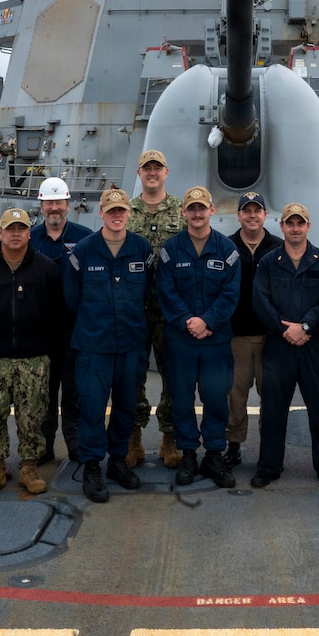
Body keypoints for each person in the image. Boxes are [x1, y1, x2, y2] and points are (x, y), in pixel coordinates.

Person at [0, 207, 69, 496]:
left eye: (21, 228)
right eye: (10, 228)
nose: (15, 233)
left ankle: (29, 468)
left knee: (32, 416)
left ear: (28, 233)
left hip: (34, 358)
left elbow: (56, 311)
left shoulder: (46, 268)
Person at [67, 189, 154, 503]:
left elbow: (146, 293)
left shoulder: (141, 248)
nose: (117, 216)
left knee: (126, 405)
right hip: (94, 344)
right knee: (91, 405)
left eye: (122, 211)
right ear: (101, 213)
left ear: (128, 213)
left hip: (130, 342)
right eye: (111, 211)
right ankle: (92, 465)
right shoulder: (84, 251)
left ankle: (118, 459)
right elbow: (71, 298)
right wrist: (95, 323)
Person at [250, 203, 319, 489]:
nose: (294, 228)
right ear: (282, 227)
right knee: (274, 410)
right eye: (290, 223)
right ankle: (269, 466)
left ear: (308, 226)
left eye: (300, 223)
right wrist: (284, 329)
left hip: (314, 344)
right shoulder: (268, 262)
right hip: (279, 345)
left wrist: (304, 327)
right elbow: (260, 301)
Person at [156, 186, 240, 488]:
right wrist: (188, 322)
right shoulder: (170, 250)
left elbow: (231, 295)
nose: (196, 213)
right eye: (191, 208)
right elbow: (166, 291)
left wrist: (206, 321)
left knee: (216, 397)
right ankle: (189, 452)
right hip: (181, 339)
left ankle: (214, 454)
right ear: (183, 212)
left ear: (211, 211)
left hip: (215, 340)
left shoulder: (227, 251)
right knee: (181, 399)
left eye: (201, 208)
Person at [128, 150, 184, 468]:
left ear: (166, 172)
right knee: (133, 374)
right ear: (139, 173)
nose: (152, 172)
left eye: (157, 168)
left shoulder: (180, 210)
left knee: (172, 374)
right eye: (147, 168)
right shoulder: (127, 211)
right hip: (135, 309)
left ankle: (169, 438)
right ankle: (133, 437)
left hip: (168, 309)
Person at [30, 177, 91, 464]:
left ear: (68, 205)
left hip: (75, 329)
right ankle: (44, 447)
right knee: (43, 393)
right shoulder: (29, 239)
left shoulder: (86, 237)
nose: (54, 208)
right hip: (40, 331)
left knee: (74, 392)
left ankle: (76, 445)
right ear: (41, 206)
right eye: (48, 203)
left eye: (59, 202)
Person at [224, 192, 281, 468]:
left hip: (271, 337)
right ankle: (233, 446)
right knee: (236, 397)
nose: (252, 215)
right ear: (239, 215)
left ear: (264, 215)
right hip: (237, 336)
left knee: (270, 397)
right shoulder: (226, 247)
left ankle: (267, 452)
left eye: (257, 210)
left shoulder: (278, 248)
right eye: (246, 211)